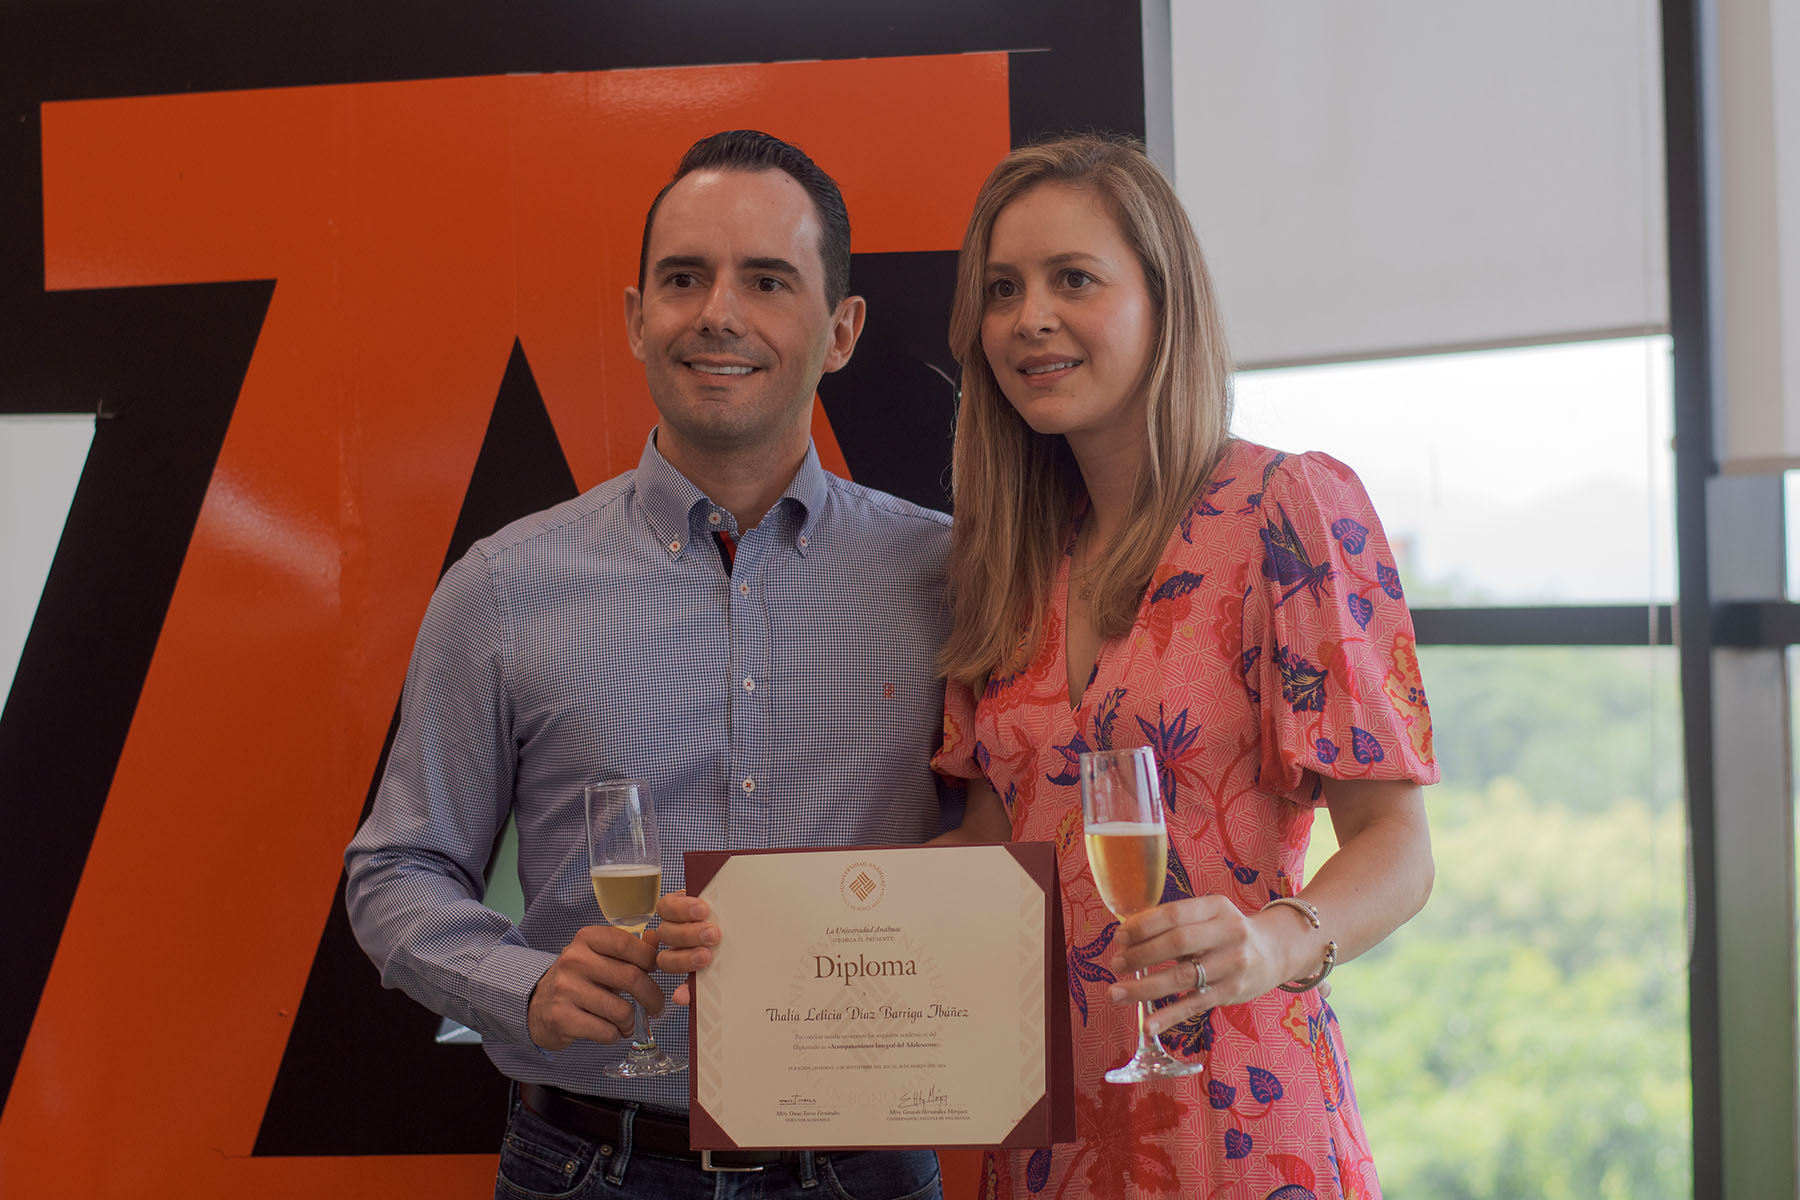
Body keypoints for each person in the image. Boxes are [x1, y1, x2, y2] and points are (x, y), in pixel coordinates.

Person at [345, 129, 952, 1200]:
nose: (718, 311)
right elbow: (396, 872)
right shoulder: (501, 588)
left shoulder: (949, 579)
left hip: (871, 1167)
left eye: (768, 280)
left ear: (842, 329)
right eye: (683, 278)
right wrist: (523, 987)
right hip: (590, 1165)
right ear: (637, 318)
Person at [926, 135, 1438, 1198]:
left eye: (1075, 280)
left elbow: (1397, 849)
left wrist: (1273, 942)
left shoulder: (1287, 508)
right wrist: (795, 944)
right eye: (1004, 290)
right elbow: (990, 846)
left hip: (1239, 1114)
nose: (1031, 319)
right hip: (1044, 1127)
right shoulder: (1003, 555)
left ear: (1165, 305)